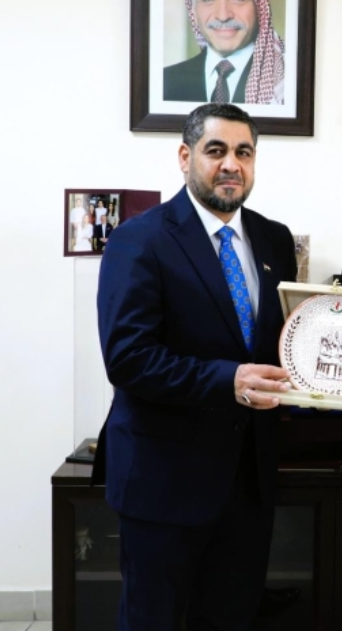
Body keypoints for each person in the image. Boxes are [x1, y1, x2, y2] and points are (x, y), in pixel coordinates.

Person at [92, 102, 297, 631]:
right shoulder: (140, 239)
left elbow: (283, 344)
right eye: (216, 150)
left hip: (247, 484)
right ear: (185, 157)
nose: (232, 164)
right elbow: (128, 358)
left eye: (244, 152)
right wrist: (230, 380)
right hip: (164, 483)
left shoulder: (275, 240)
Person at [164, 0, 285, 106]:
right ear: (193, 10)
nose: (223, 16)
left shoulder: (285, 81)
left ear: (259, 8)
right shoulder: (165, 81)